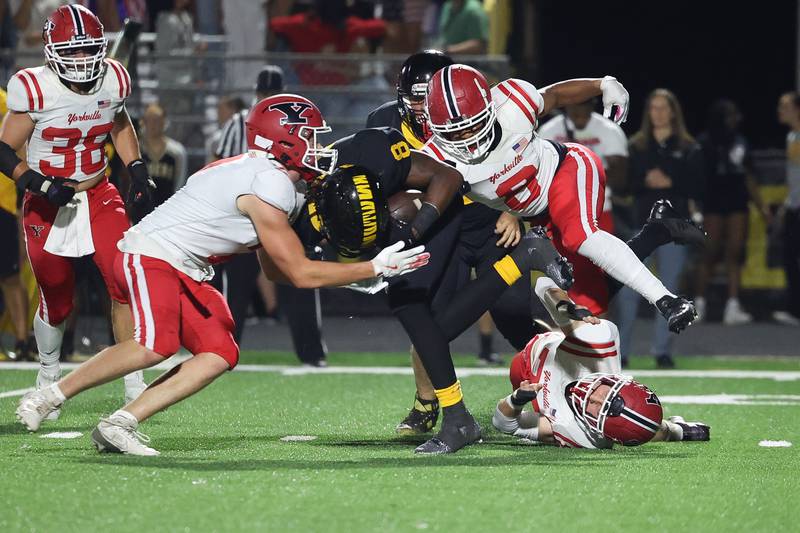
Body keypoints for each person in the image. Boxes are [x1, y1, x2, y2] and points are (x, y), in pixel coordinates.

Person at [15, 94, 431, 456]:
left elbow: (275, 269)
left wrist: (356, 277)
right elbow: (300, 274)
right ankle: (47, 397)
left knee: (220, 351)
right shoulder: (270, 183)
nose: (317, 145)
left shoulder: (267, 178)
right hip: (154, 254)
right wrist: (374, 266)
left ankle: (120, 423)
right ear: (281, 139)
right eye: (309, 136)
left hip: (185, 265)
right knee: (154, 344)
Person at [423, 65, 697, 337]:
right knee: (587, 301)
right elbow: (408, 198)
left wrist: (602, 83)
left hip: (567, 168)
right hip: (538, 215)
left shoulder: (512, 104)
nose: (466, 139)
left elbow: (554, 95)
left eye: (471, 125)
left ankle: (668, 300)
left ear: (490, 106)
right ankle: (656, 232)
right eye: (454, 132)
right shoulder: (434, 159)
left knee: (581, 236)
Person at [366, 50, 535, 437]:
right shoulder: (383, 124)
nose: (424, 109)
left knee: (513, 311)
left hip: (490, 219)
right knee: (431, 319)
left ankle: (546, 390)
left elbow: (526, 157)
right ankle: (428, 402)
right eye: (417, 99)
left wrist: (516, 210)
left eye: (432, 98)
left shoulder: (481, 106)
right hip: (438, 227)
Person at [0, 5, 149, 407]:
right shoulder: (34, 88)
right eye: (73, 51)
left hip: (99, 191)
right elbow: (2, 147)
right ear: (52, 50)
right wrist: (36, 181)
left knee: (122, 281)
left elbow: (118, 122)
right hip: (48, 202)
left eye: (88, 50)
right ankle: (49, 369)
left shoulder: (114, 78)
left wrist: (135, 167)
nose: (83, 60)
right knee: (57, 298)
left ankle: (133, 377)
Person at [492, 275, 710, 448]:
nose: (592, 398)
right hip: (549, 346)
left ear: (600, 429)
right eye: (605, 394)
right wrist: (566, 308)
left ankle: (671, 430)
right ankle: (675, 430)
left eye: (597, 411)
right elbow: (543, 285)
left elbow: (503, 423)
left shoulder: (582, 434)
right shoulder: (598, 346)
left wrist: (517, 400)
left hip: (528, 377)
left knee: (634, 429)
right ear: (618, 381)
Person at [615, 89, 704, 368]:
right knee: (627, 291)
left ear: (673, 111)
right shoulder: (636, 145)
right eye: (653, 108)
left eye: (663, 108)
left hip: (672, 230)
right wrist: (645, 180)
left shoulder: (690, 148)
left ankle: (662, 351)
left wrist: (670, 181)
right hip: (640, 226)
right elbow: (624, 185)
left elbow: (698, 187)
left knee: (669, 290)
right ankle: (621, 352)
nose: (659, 113)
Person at [695, 99, 768, 325]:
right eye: (732, 115)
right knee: (709, 252)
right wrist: (694, 205)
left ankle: (733, 306)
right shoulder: (704, 142)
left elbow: (749, 176)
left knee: (735, 253)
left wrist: (761, 205)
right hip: (713, 202)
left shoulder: (741, 142)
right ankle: (698, 304)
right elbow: (697, 176)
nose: (737, 119)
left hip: (737, 202)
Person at [538, 98, 629, 236]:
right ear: (566, 106)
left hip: (598, 210)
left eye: (584, 104)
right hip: (558, 210)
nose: (579, 110)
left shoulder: (609, 130)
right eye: (575, 105)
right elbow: (539, 172)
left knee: (599, 255)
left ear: (593, 104)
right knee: (559, 256)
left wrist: (581, 175)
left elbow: (620, 177)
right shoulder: (548, 131)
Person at [0, 86, 32, 360]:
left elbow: (16, 145)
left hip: (3, 200)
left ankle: (22, 340)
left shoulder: (2, 100)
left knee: (10, 276)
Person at [773, 92, 800, 327]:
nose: (780, 110)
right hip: (794, 207)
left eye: (785, 106)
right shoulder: (791, 136)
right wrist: (786, 204)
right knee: (791, 258)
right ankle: (794, 310)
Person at [138, 102, 187, 217]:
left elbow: (180, 184)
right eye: (149, 120)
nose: (153, 124)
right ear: (143, 122)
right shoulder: (136, 150)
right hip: (139, 212)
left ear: (165, 121)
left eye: (157, 120)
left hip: (167, 213)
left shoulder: (176, 152)